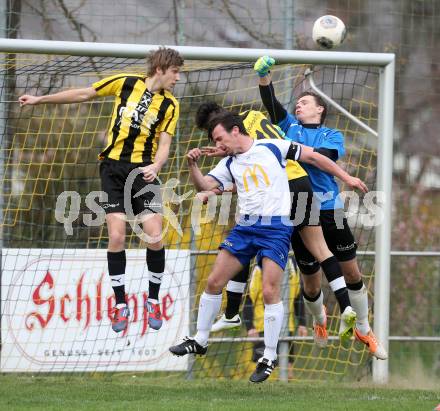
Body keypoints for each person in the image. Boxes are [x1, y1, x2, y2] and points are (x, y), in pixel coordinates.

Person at [169, 111, 367, 383]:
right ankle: (200, 340)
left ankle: (269, 356)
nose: (218, 145)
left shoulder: (271, 146)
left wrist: (348, 178)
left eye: (219, 138)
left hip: (275, 228)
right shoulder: (228, 162)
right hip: (245, 228)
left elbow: (314, 157)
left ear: (235, 130)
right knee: (214, 281)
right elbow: (205, 185)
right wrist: (193, 165)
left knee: (270, 290)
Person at [19, 47, 184, 333]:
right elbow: (83, 94)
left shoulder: (170, 105)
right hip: (112, 171)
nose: (178, 78)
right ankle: (120, 304)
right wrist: (40, 99)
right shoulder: (125, 82)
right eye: (175, 72)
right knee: (117, 236)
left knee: (155, 237)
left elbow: (166, 145)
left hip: (143, 173)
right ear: (160, 69)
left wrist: (156, 167)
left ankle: (153, 300)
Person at [253, 55, 387, 360]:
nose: (298, 106)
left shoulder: (331, 136)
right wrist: (264, 78)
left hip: (329, 208)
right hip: (299, 208)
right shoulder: (289, 128)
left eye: (305, 102)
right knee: (311, 282)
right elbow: (272, 105)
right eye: (297, 103)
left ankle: (363, 327)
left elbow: (324, 155)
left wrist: (296, 151)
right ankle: (319, 319)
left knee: (351, 270)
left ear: (319, 109)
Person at [195, 102, 359, 347]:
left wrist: (219, 179)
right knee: (318, 254)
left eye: (217, 137)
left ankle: (231, 313)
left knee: (243, 234)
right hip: (302, 184)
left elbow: (255, 169)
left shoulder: (241, 148)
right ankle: (345, 308)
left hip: (285, 189)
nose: (217, 143)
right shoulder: (254, 119)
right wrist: (347, 177)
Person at [244, 258, 307, 380]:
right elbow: (248, 299)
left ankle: (286, 394)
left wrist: (302, 323)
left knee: (288, 371)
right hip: (264, 327)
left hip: (287, 327)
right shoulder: (260, 267)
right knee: (264, 369)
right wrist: (250, 327)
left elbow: (298, 297)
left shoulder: (293, 265)